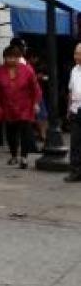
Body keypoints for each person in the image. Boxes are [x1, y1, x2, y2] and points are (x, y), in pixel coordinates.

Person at [0, 46, 41, 169]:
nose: (11, 60)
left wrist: (36, 103)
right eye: (9, 57)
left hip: (25, 106)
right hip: (8, 106)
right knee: (11, 132)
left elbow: (35, 88)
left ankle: (24, 158)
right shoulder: (0, 71)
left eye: (14, 57)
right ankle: (14, 155)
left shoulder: (27, 70)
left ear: (19, 58)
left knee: (25, 132)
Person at [65, 43, 81, 183]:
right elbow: (71, 90)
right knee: (75, 142)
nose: (76, 56)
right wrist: (69, 108)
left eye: (79, 53)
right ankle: (75, 171)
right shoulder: (74, 70)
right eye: (76, 53)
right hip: (76, 110)